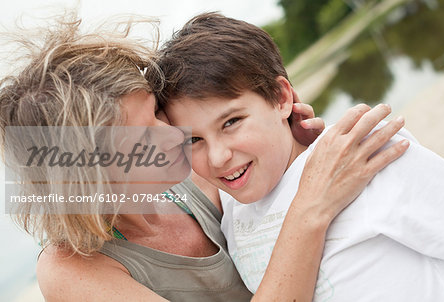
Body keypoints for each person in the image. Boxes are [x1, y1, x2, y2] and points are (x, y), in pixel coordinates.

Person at [0, 14, 407, 302]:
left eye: (158, 114)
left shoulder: (181, 177)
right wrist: (309, 209)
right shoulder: (71, 271)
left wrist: (291, 148)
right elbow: (301, 213)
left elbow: (259, 199)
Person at [157, 13, 444, 301]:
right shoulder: (233, 210)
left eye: (231, 122)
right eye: (194, 140)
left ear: (282, 98)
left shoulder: (361, 157)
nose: (218, 157)